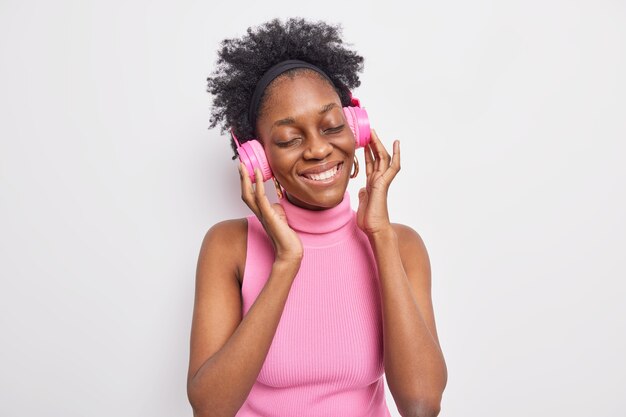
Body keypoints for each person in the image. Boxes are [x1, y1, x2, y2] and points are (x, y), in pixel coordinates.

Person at [187, 17, 447, 417]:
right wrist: (286, 261)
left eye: (331, 126)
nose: (317, 150)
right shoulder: (228, 246)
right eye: (290, 139)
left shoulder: (402, 245)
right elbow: (210, 408)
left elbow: (421, 404)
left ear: (357, 129)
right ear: (258, 158)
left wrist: (379, 234)